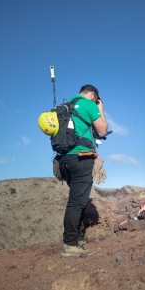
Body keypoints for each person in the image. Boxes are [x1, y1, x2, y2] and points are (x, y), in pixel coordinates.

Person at [58, 84, 108, 258]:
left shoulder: (66, 106)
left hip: (64, 160)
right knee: (76, 202)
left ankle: (78, 239)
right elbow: (102, 130)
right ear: (93, 94)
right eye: (96, 99)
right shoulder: (89, 104)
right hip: (81, 157)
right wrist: (100, 108)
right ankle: (70, 244)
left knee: (78, 200)